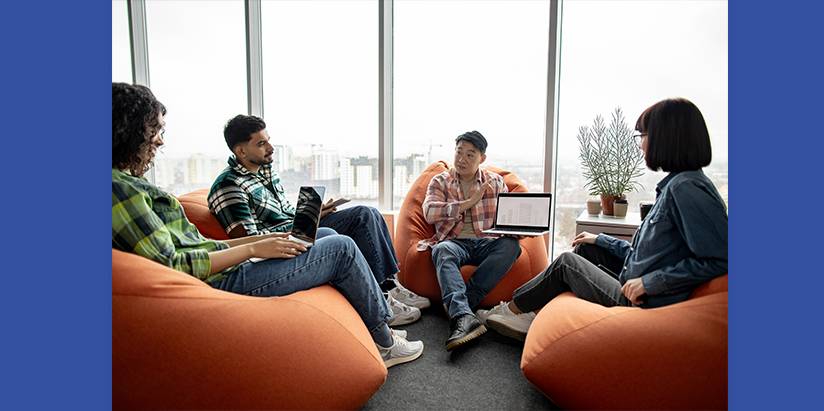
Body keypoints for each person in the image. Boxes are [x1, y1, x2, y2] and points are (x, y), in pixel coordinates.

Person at [111, 82, 423, 367]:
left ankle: (383, 298)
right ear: (130, 130)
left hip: (225, 268)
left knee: (332, 229)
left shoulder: (129, 185)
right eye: (154, 130)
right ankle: (383, 339)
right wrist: (255, 247)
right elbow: (176, 265)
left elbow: (201, 246)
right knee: (341, 247)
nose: (160, 140)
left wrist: (289, 228)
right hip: (218, 283)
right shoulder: (121, 190)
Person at [479, 98, 728, 341]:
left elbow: (722, 259)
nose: (641, 144)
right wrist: (601, 239)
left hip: (640, 300)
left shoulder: (686, 189)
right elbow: (646, 255)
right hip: (636, 282)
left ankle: (510, 310)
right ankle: (532, 312)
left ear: (666, 137)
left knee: (566, 262)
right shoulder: (679, 184)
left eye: (643, 135)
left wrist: (650, 283)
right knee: (586, 248)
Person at [207, 115, 429, 327]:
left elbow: (283, 213)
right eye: (261, 144)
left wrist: (314, 212)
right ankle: (383, 293)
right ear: (241, 151)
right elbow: (252, 241)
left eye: (269, 140)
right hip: (284, 243)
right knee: (360, 219)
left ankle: (390, 284)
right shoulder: (229, 186)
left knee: (368, 213)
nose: (271, 148)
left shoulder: (266, 171)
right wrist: (306, 221)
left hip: (299, 228)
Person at [421, 131, 522, 351]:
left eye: (470, 155)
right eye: (459, 152)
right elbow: (429, 212)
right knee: (441, 250)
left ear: (481, 158)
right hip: (455, 242)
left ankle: (462, 310)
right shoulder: (440, 181)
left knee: (511, 247)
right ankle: (464, 315)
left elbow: (507, 217)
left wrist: (518, 229)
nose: (462, 159)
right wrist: (468, 202)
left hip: (487, 241)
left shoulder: (495, 182)